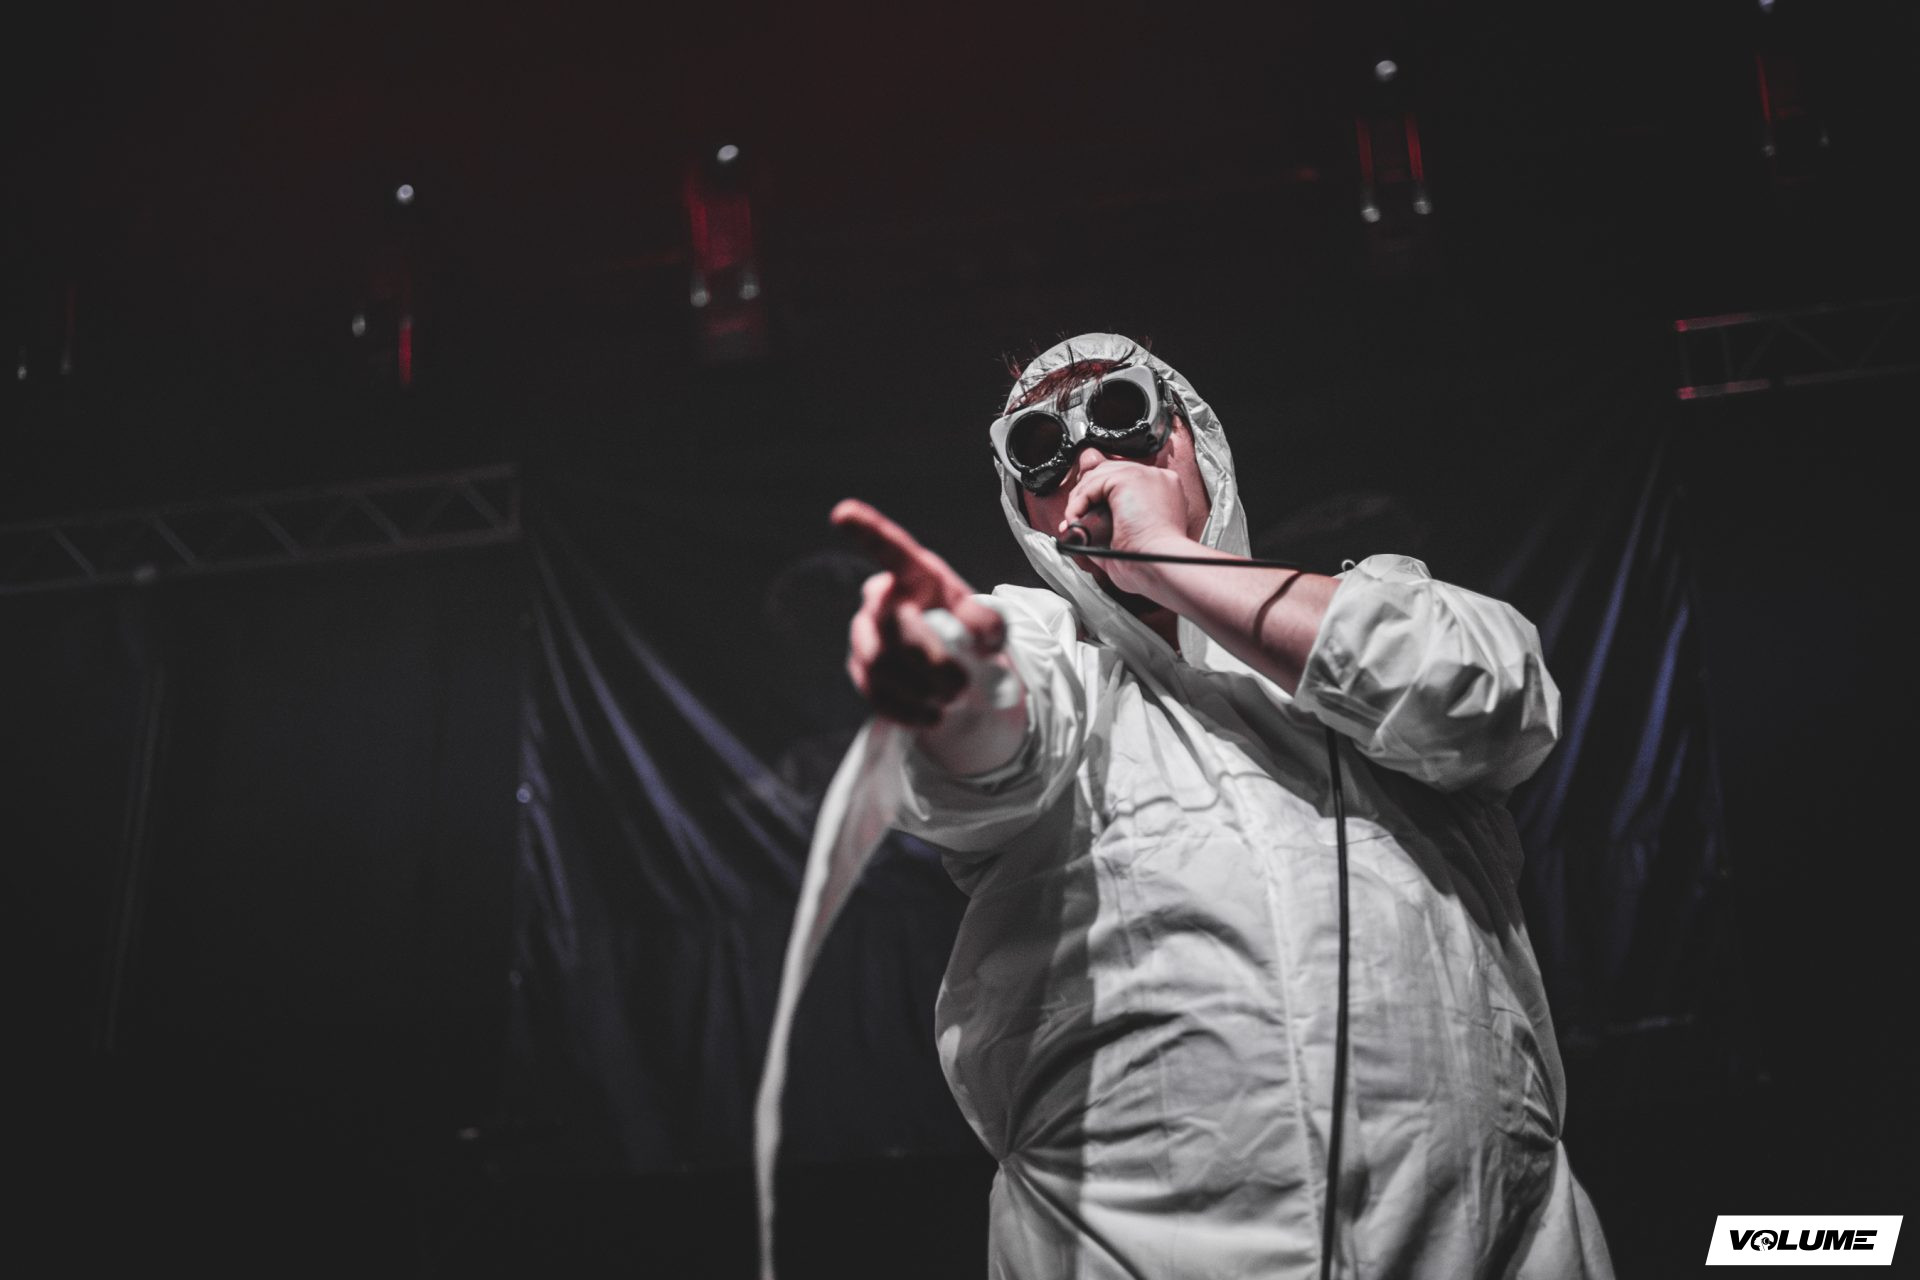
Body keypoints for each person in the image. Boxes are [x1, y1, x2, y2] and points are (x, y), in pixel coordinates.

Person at [833, 333, 1613, 1278]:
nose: (1089, 457)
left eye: (1123, 416)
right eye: (1042, 447)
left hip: (1480, 1240)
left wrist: (1167, 559)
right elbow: (983, 754)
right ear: (1026, 509)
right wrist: (948, 687)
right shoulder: (1041, 651)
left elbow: (1490, 700)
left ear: (1196, 442)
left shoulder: (1374, 602)